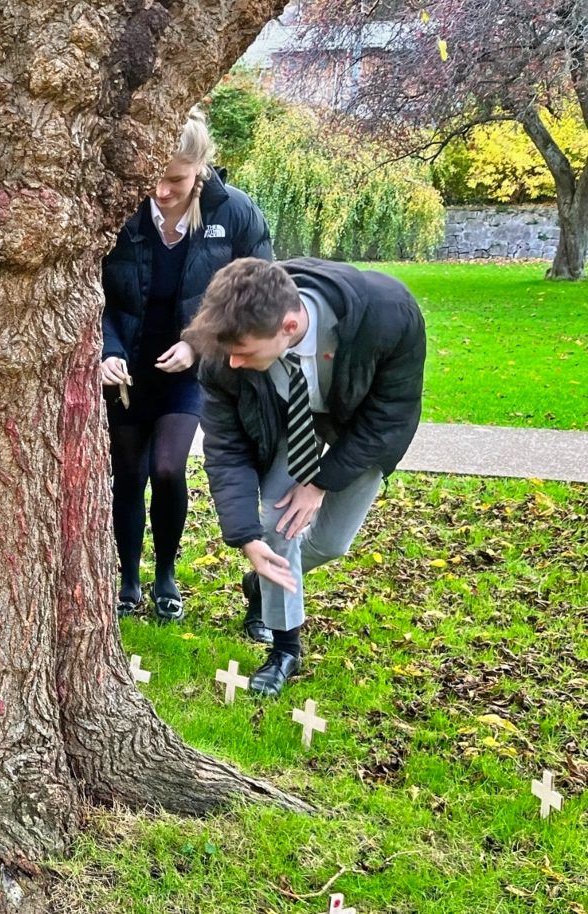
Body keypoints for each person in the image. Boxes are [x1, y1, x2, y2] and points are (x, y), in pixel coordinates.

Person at [185, 257, 426, 696]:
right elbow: (225, 450)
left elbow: (390, 417)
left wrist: (319, 483)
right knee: (278, 526)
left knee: (332, 543)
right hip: (288, 421)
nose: (234, 362)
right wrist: (246, 537)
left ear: (290, 326)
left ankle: (261, 584)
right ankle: (285, 650)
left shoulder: (389, 313)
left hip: (362, 427)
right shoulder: (226, 351)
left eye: (245, 351)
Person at [100, 108, 272, 625]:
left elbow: (256, 293)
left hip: (192, 369)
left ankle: (166, 576)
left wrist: (198, 345)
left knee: (168, 467)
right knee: (127, 472)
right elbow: (90, 292)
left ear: (200, 168)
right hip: (128, 367)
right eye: (154, 177)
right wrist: (108, 350)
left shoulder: (235, 212)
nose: (161, 190)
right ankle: (128, 580)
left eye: (175, 179)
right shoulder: (123, 211)